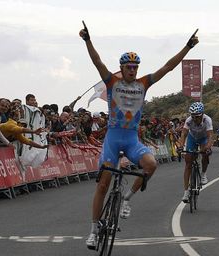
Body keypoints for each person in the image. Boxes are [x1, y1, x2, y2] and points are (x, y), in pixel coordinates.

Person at [79, 22, 199, 249]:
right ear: (122, 68)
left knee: (151, 164)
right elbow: (97, 62)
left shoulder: (144, 83)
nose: (133, 70)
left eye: (135, 67)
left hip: (132, 139)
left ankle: (126, 199)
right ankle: (93, 230)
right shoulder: (112, 82)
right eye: (129, 67)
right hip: (113, 138)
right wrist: (87, 40)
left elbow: (168, 67)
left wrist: (187, 47)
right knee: (103, 185)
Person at [177, 102, 213, 203]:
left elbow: (210, 136)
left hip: (203, 138)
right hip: (192, 138)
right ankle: (186, 192)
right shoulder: (189, 120)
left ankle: (203, 174)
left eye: (197, 116)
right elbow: (184, 134)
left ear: (202, 114)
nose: (194, 119)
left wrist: (208, 147)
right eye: (192, 116)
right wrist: (180, 146)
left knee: (205, 154)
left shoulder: (207, 120)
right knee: (188, 163)